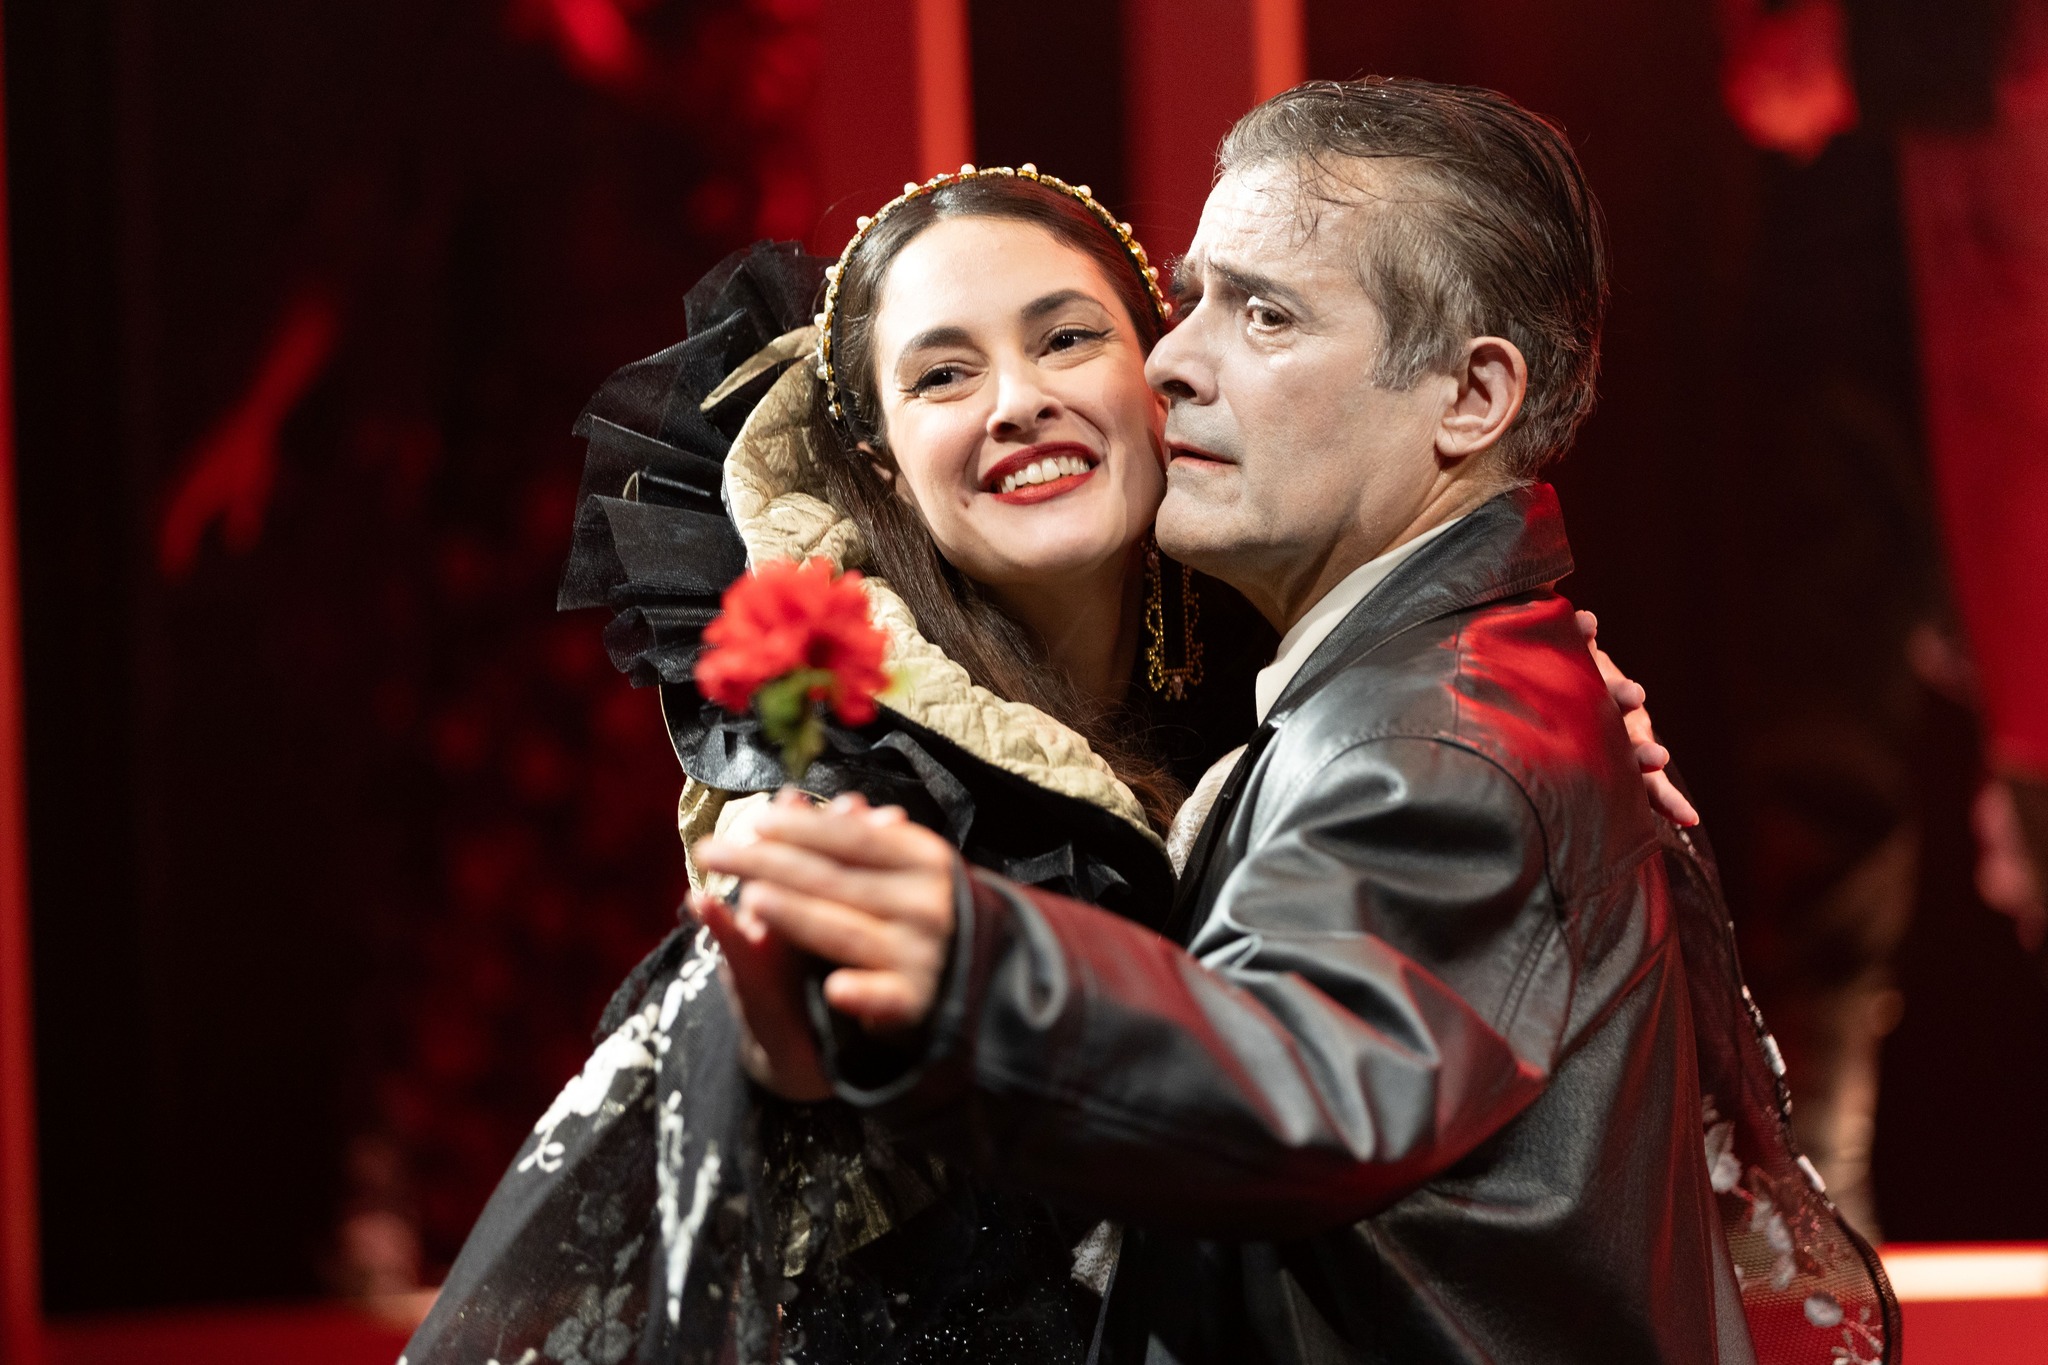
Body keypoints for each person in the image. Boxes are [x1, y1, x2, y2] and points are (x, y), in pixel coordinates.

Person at [402, 151, 1691, 1365]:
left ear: (1162, 373)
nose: (1017, 402)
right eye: (941, 375)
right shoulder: (860, 779)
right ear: (880, 460)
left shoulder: (1314, 668)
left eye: (1066, 339)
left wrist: (1523, 729)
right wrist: (800, 1047)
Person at [695, 80, 1899, 1363]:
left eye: (1262, 312)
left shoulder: (1428, 734)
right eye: (1193, 298)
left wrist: (969, 966)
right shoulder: (1376, 691)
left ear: (1470, 398)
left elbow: (1299, 1078)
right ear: (876, 456)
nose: (1171, 362)